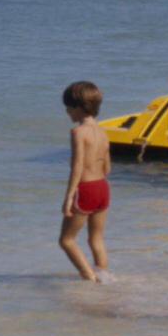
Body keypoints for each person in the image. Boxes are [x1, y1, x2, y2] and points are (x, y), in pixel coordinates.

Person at [59, 81, 111, 282]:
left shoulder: (78, 133)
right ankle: (104, 275)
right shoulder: (103, 132)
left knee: (66, 240)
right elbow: (108, 168)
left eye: (69, 108)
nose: (67, 112)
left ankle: (89, 277)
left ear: (79, 108)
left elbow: (77, 166)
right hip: (102, 188)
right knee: (96, 238)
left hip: (86, 189)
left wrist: (69, 196)